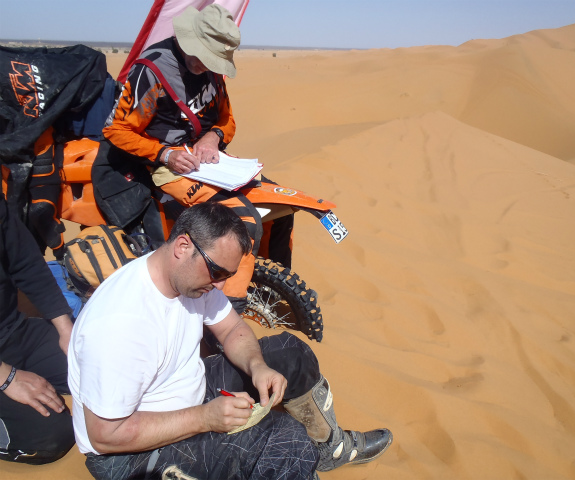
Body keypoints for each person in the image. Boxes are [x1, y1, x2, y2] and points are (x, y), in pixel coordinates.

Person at [68, 201, 392, 479]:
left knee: (291, 353)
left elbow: (231, 329)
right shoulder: (120, 324)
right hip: (128, 454)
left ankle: (327, 449)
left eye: (228, 275)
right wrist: (204, 418)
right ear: (182, 247)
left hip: (190, 395)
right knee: (285, 442)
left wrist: (257, 366)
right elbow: (105, 435)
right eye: (217, 272)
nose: (221, 286)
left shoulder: (191, 277)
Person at [101, 4, 293, 314]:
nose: (209, 65)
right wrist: (165, 154)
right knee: (243, 222)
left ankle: (273, 287)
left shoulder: (212, 71)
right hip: (167, 166)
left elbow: (227, 119)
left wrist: (213, 136)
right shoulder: (153, 71)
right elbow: (116, 130)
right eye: (206, 57)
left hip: (211, 164)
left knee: (282, 207)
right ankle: (227, 313)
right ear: (190, 42)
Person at [0, 190, 75, 464]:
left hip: (12, 329)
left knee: (105, 368)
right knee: (52, 436)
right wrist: (7, 377)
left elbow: (26, 264)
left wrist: (66, 330)